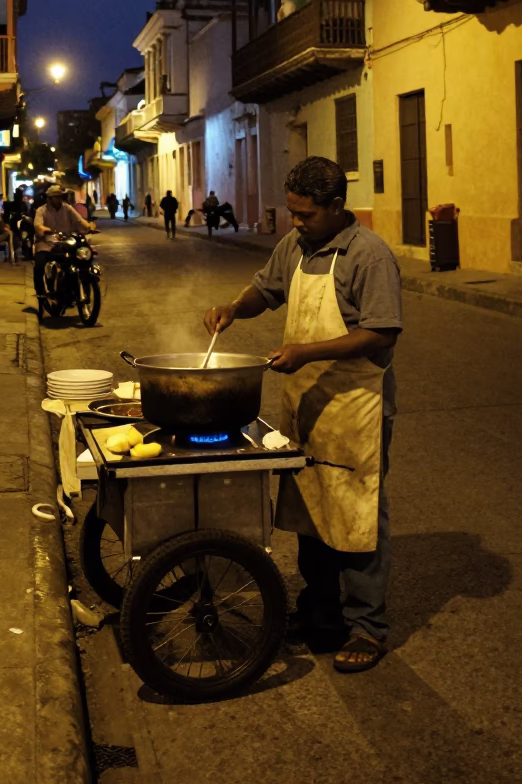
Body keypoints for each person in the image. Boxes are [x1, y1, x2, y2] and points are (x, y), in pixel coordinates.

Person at [202, 156, 402, 675]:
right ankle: (321, 615)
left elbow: (382, 332)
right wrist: (233, 307)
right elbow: (266, 290)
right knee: (311, 510)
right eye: (292, 213)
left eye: (306, 215)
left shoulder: (369, 256)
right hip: (306, 402)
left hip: (355, 404)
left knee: (357, 515)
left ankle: (367, 627)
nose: (296, 223)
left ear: (337, 207)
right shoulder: (295, 246)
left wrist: (307, 354)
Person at [33, 184, 96, 300]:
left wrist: (89, 226)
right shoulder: (41, 210)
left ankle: (80, 285)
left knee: (83, 258)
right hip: (46, 243)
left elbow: (80, 220)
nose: (59, 199)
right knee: (39, 265)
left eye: (61, 196)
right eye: (56, 197)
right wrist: (44, 229)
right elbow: (38, 226)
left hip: (66, 242)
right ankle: (40, 292)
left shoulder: (67, 208)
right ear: (49, 198)